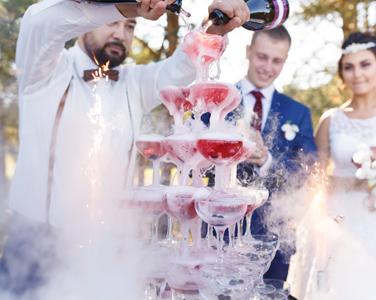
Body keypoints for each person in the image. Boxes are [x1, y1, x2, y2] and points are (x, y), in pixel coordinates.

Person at [0, 0, 250, 297]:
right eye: (112, 23)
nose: (122, 33)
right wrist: (124, 7)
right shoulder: (44, 71)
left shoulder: (134, 82)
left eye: (130, 27)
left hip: (105, 246)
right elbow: (38, 22)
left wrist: (212, 28)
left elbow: (180, 68)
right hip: (36, 245)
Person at [288, 32, 376, 299]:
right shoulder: (331, 120)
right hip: (341, 220)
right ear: (341, 73)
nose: (357, 74)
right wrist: (359, 182)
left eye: (365, 64)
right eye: (348, 67)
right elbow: (314, 181)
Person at [202, 26, 318, 281]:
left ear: (285, 61)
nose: (268, 67)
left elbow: (309, 172)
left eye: (277, 60)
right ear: (248, 51)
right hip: (218, 233)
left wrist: (267, 161)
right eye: (261, 57)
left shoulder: (298, 112)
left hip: (274, 238)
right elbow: (193, 158)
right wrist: (229, 155)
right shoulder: (216, 100)